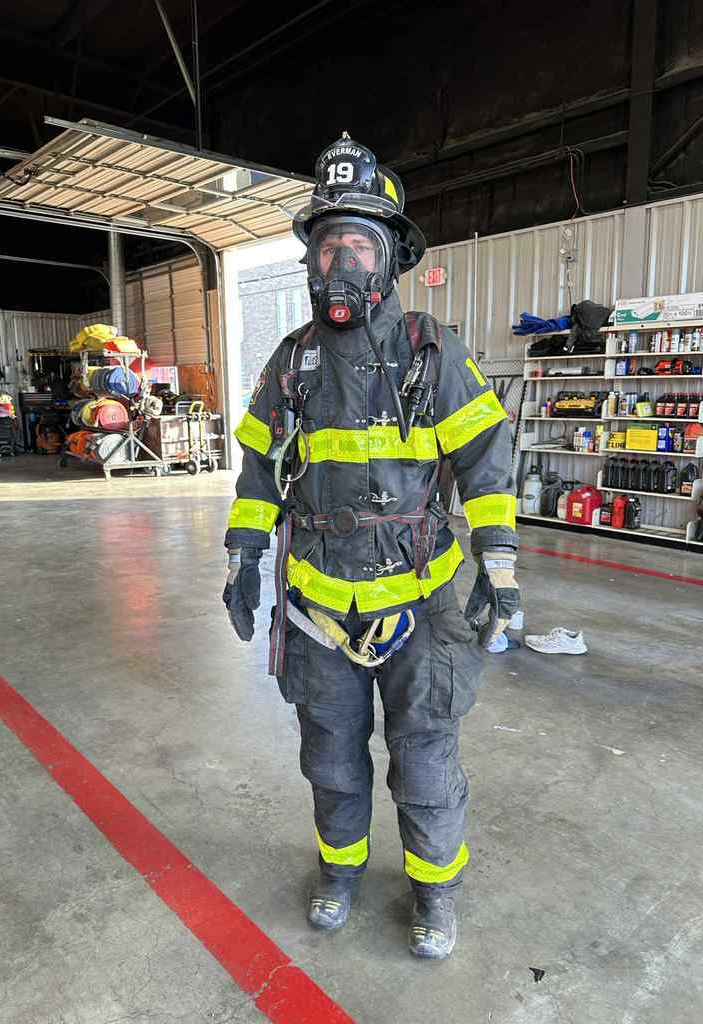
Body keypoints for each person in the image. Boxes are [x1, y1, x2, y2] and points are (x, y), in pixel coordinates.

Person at [223, 134, 519, 960]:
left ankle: (434, 893)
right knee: (332, 761)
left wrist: (499, 566)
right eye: (328, 246)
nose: (341, 261)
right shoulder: (290, 365)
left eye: (361, 244)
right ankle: (341, 872)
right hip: (319, 608)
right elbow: (256, 472)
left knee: (424, 761)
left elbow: (486, 463)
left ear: (391, 259)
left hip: (421, 610)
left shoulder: (433, 353)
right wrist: (243, 558)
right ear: (310, 263)